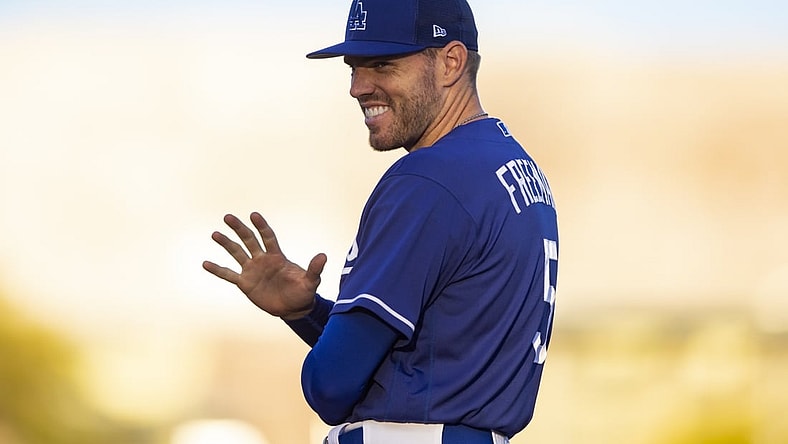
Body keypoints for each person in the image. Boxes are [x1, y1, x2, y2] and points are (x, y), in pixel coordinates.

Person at [202, 0, 559, 443]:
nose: (358, 87)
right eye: (354, 67)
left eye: (383, 64)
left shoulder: (429, 178)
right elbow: (434, 352)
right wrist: (307, 313)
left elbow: (330, 386)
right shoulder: (514, 167)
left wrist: (328, 359)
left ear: (450, 62)